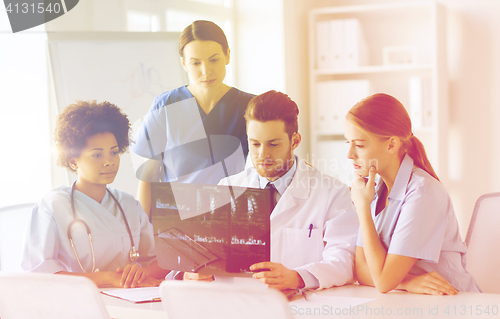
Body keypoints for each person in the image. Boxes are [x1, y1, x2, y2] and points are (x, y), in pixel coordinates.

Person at [215, 90, 359, 293]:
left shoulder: (333, 193)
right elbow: (207, 253)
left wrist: (297, 276)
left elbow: (344, 260)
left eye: (273, 144)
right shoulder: (227, 189)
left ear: (295, 141)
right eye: (254, 144)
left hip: (301, 307)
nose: (262, 154)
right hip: (240, 304)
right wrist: (195, 272)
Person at [22, 101, 168, 288]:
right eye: (97, 155)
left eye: (114, 153)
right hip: (78, 306)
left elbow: (161, 260)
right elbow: (38, 274)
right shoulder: (52, 206)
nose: (109, 162)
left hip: (132, 302)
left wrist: (142, 273)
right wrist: (108, 278)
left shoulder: (129, 204)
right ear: (73, 161)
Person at [346, 93, 481, 294]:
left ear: (391, 144)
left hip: (453, 302)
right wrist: (408, 282)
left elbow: (382, 282)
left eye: (359, 145)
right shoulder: (372, 189)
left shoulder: (423, 193)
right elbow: (362, 270)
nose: (350, 154)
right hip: (411, 301)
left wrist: (363, 209)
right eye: (347, 143)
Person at [131, 20, 254, 217]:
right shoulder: (166, 105)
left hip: (230, 217)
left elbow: (266, 168)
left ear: (227, 55)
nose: (206, 71)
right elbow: (149, 176)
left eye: (213, 60)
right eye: (196, 63)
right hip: (176, 219)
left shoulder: (250, 107)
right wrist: (141, 232)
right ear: (184, 64)